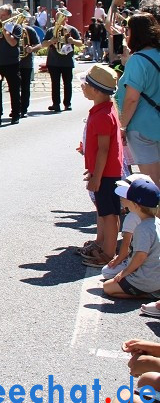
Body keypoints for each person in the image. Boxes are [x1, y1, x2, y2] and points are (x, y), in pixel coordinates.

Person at [78, 65, 125, 268]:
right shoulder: (104, 110)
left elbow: (104, 150)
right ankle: (106, 246)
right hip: (107, 172)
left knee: (109, 214)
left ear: (96, 90)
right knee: (108, 211)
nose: (82, 87)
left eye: (86, 84)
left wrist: (97, 176)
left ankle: (108, 254)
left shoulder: (103, 115)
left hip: (107, 174)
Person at [117, 13, 160, 183]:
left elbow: (131, 99)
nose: (126, 35)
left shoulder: (138, 60)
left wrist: (123, 125)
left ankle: (154, 211)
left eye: (127, 31)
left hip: (142, 126)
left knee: (153, 182)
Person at [102, 177, 160, 300]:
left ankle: (147, 294)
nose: (124, 199)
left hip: (147, 278)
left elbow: (140, 255)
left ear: (136, 205)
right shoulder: (157, 222)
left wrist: (125, 272)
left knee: (108, 287)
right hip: (156, 274)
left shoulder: (142, 228)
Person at [34, 15, 83, 112]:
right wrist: (51, 41)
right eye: (59, 17)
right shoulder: (51, 30)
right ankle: (56, 104)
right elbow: (43, 44)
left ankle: (67, 104)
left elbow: (80, 43)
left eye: (63, 17)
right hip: (53, 61)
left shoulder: (72, 30)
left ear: (66, 19)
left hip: (67, 61)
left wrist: (73, 41)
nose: (61, 19)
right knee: (55, 84)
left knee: (67, 83)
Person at [0, 4, 23, 126]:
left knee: (14, 89)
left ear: (9, 15)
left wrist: (5, 30)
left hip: (12, 63)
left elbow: (13, 43)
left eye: (3, 15)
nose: (1, 18)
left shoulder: (16, 27)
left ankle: (15, 114)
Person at [17, 15, 41, 118]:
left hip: (26, 63)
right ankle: (16, 108)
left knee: (25, 87)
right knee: (15, 88)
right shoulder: (10, 30)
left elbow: (39, 45)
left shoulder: (29, 30)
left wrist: (31, 48)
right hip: (14, 63)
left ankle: (24, 109)